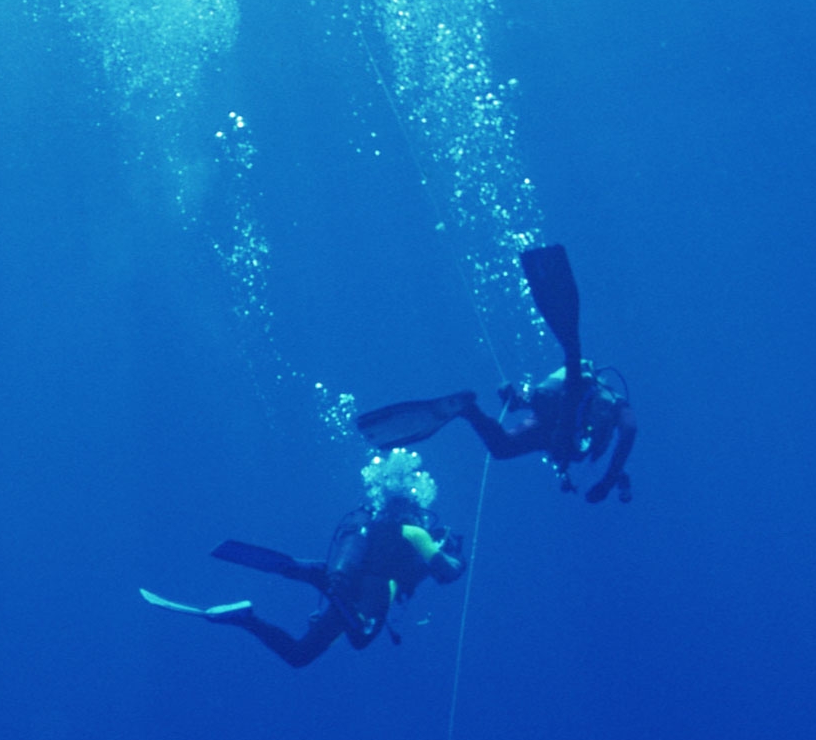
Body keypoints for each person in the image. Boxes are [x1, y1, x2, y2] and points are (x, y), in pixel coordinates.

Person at [357, 242, 636, 503]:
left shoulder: (590, 435)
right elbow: (629, 429)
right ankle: (571, 349)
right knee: (572, 370)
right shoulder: (616, 403)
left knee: (502, 448)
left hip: (550, 420)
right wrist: (608, 482)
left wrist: (516, 401)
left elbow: (544, 406)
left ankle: (469, 410)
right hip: (562, 412)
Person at [143, 452, 467, 669]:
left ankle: (280, 593)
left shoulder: (367, 528)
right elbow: (448, 574)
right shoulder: (415, 533)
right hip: (368, 597)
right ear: (413, 508)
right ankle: (261, 611)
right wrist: (455, 558)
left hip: (344, 583)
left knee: (301, 652)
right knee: (354, 641)